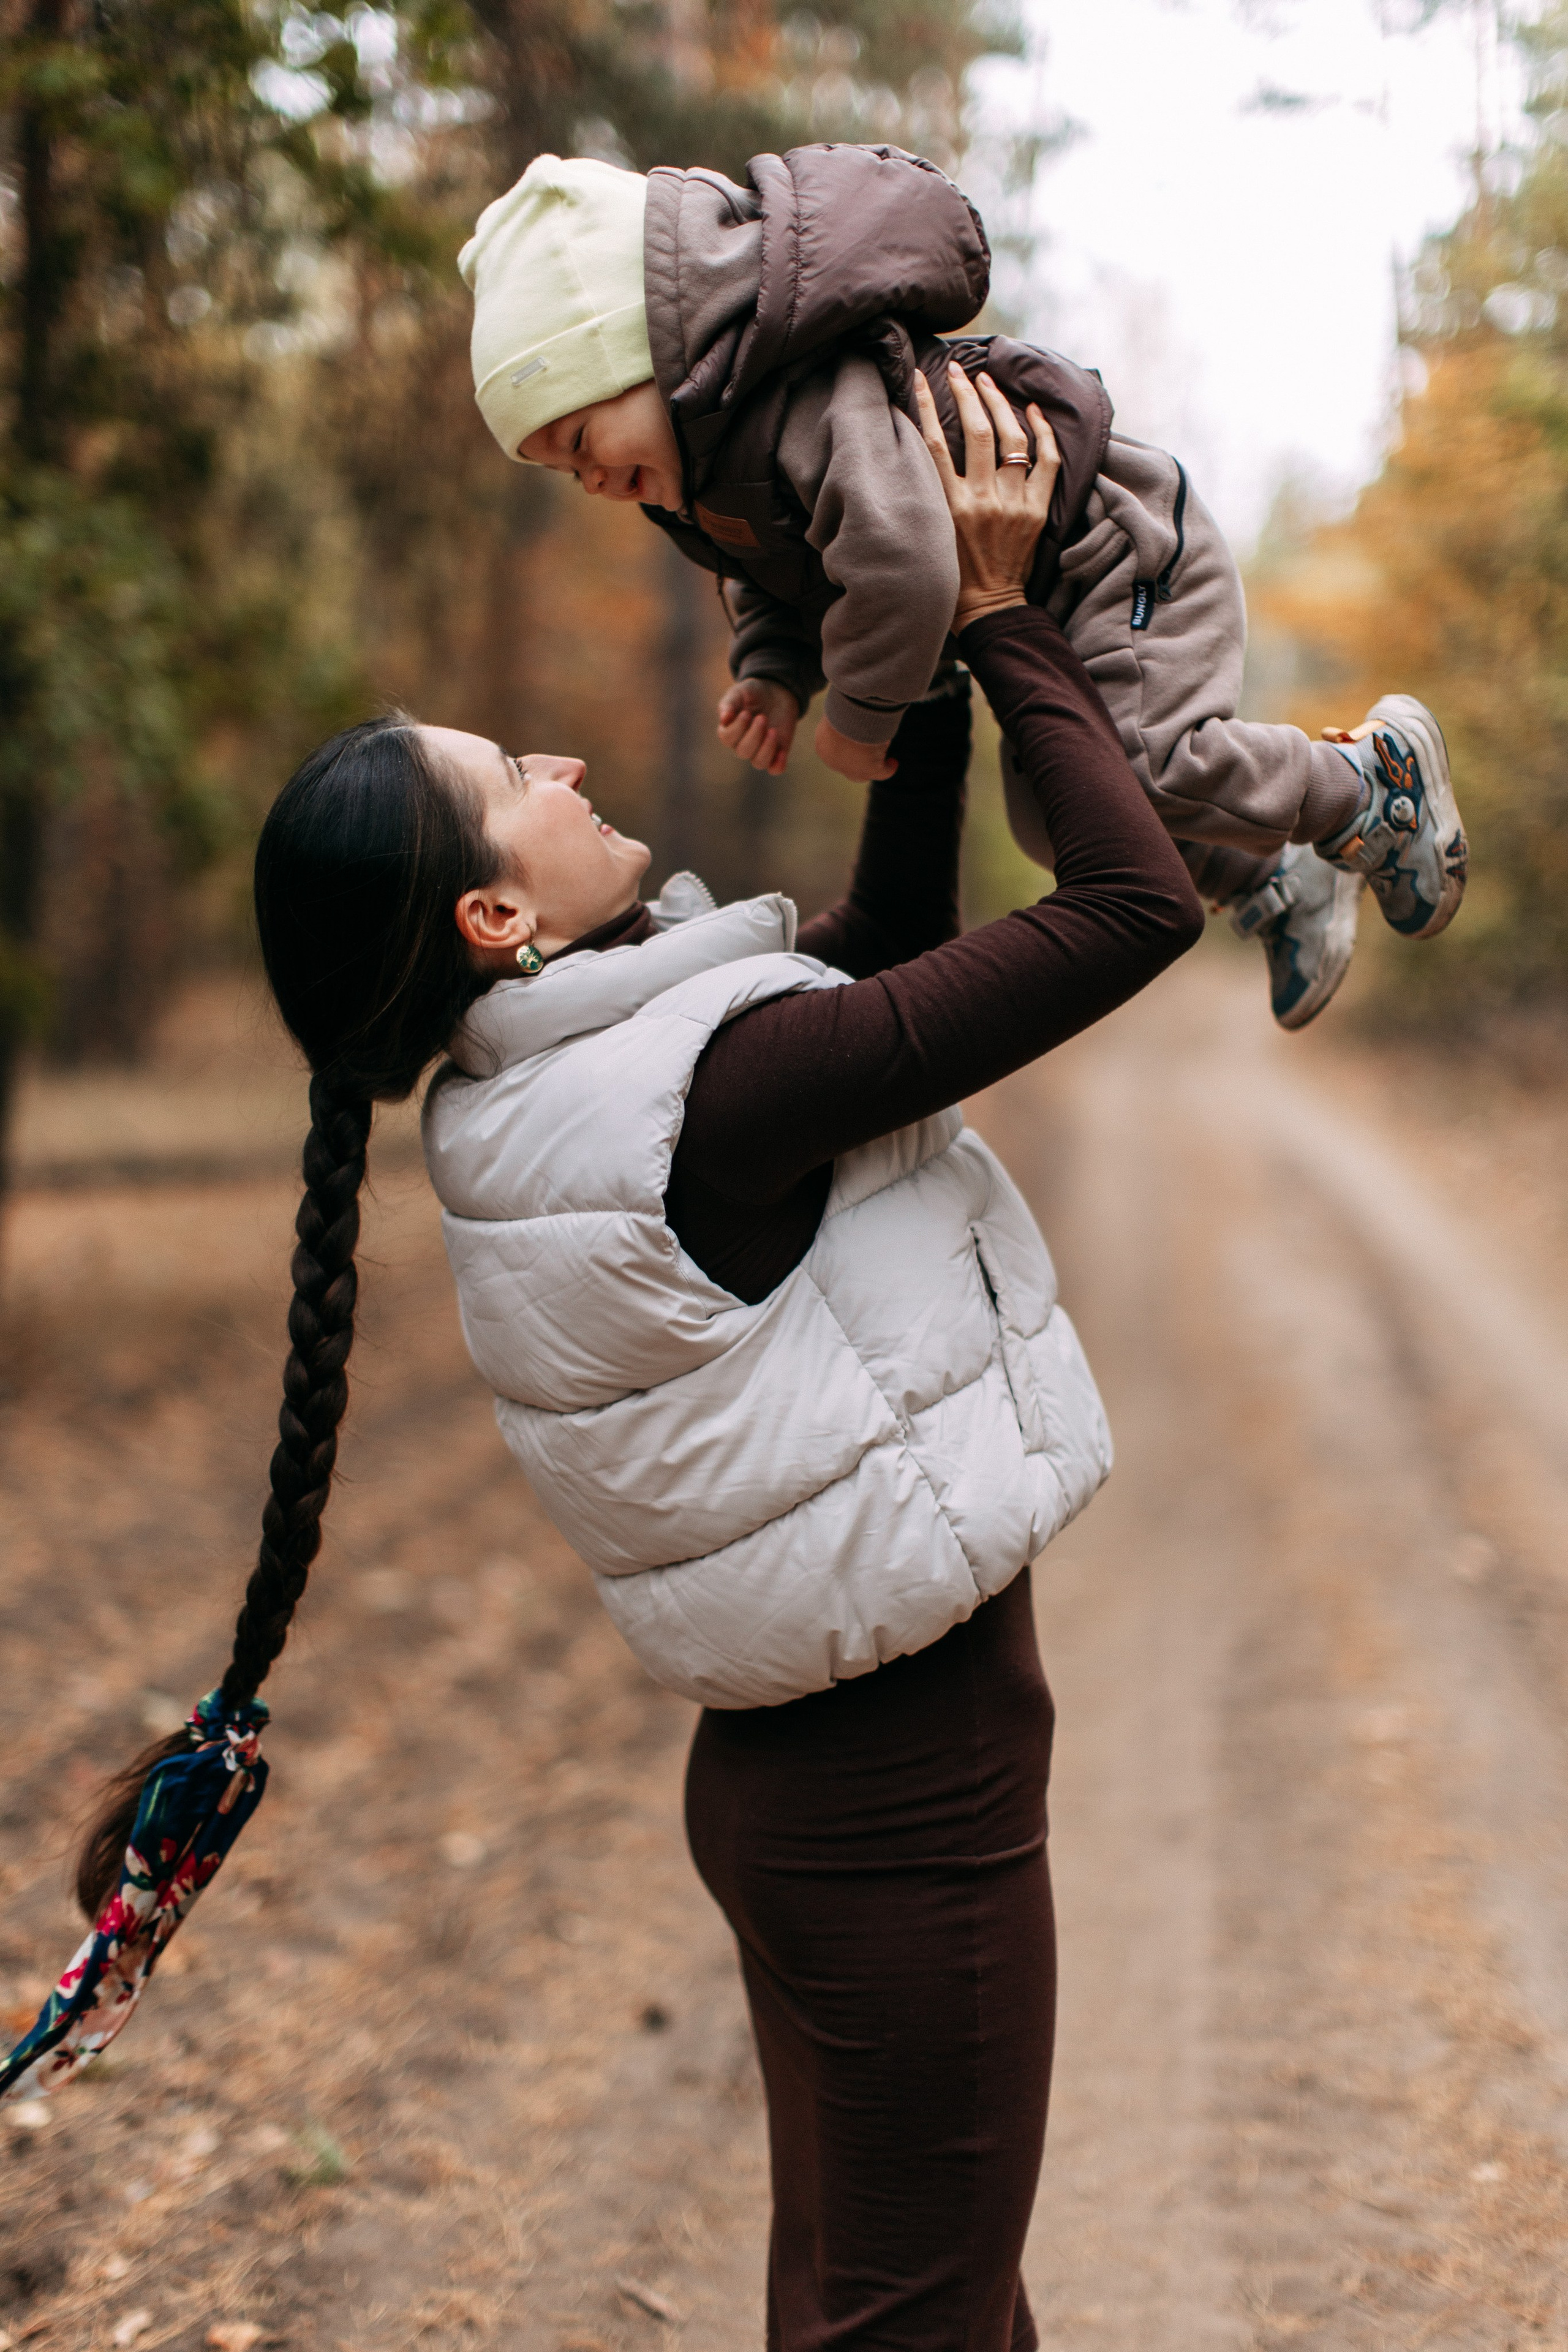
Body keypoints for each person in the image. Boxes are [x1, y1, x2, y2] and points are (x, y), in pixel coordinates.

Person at [72, 369, 1200, 2344]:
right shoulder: (702, 1099)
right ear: (498, 911)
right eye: (526, 778)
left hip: (810, 1788)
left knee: (873, 2306)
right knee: (923, 2320)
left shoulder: (556, 1102)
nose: (576, 763)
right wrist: (1011, 621)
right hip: (894, 1801)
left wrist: (912, 646)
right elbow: (1130, 905)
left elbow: (879, 959)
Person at [458, 144, 1468, 1035]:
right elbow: (773, 577)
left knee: (1145, 763)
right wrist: (771, 673)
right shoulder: (704, 480)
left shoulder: (803, 404)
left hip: (1113, 545)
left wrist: (859, 716)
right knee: (1058, 821)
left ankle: (1373, 781)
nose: (589, 480)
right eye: (560, 470)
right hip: (1046, 596)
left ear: (646, 357)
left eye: (583, 440)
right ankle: (1272, 878)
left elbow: (904, 564)